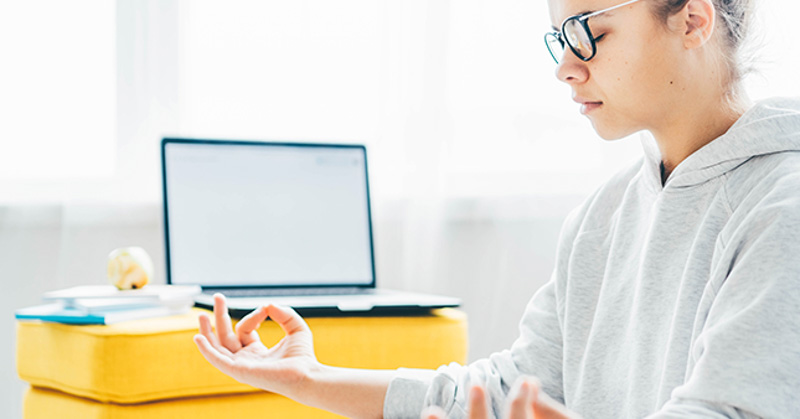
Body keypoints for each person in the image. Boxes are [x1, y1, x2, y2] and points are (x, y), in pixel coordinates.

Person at [193, 0, 800, 417]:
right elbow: (512, 391)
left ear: (692, 20)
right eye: (560, 39)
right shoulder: (602, 218)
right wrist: (312, 378)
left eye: (591, 30)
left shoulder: (782, 203)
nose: (566, 67)